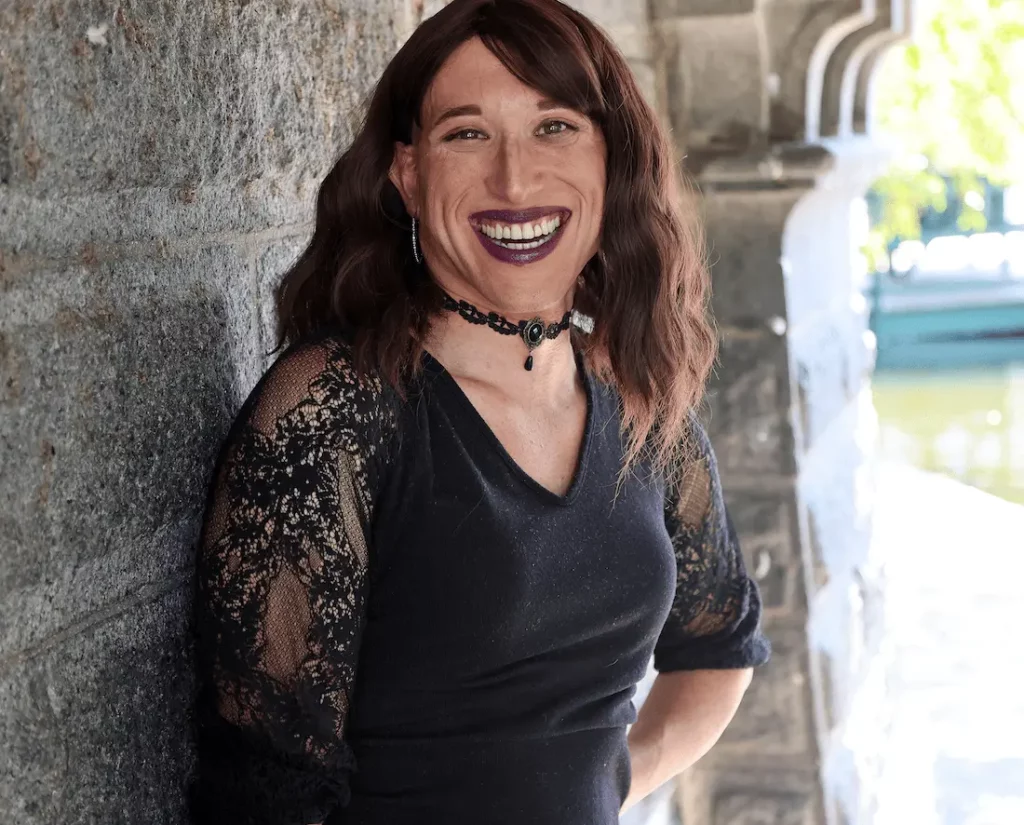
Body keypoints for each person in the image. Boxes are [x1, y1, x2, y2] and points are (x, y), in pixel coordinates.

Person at [188, 1, 771, 823]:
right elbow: (267, 798)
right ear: (408, 173)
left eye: (555, 128)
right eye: (467, 133)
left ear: (613, 160)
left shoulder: (638, 402)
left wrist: (605, 784)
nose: (515, 180)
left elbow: (719, 646)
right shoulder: (331, 411)